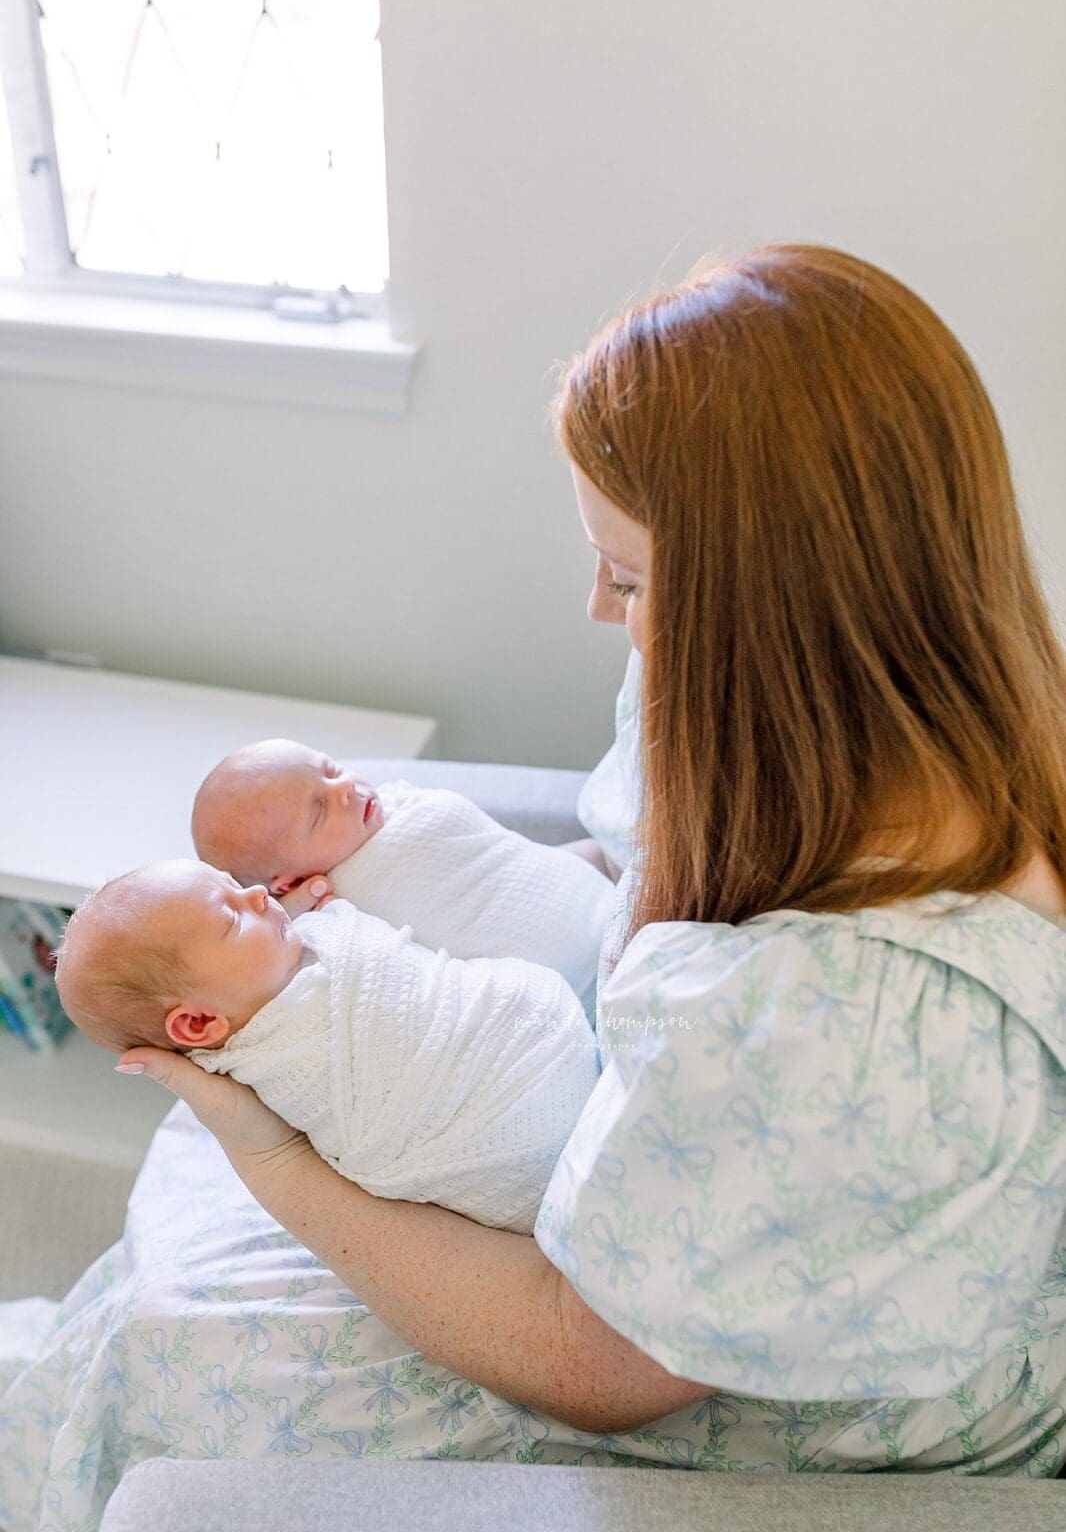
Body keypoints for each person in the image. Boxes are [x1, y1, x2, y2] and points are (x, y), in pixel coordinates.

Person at [3, 246, 1064, 1528]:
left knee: (179, 1348)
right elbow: (615, 865)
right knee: (138, 1304)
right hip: (628, 1156)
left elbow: (594, 1361)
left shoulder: (846, 1015)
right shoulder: (780, 712)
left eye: (628, 574)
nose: (597, 605)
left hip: (758, 1373)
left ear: (765, 607)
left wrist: (274, 1153)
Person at [55, 858, 598, 1233]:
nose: (258, 894)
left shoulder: (299, 943)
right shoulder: (270, 1063)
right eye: (231, 918)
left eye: (234, 882)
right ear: (197, 1025)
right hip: (500, 1142)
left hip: (526, 1036)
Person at [191, 737, 614, 1010]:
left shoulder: (388, 808)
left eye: (332, 769)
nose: (344, 791)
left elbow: (493, 861)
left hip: (601, 905)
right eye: (319, 811)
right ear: (285, 883)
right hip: (575, 988)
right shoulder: (336, 915)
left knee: (595, 853)